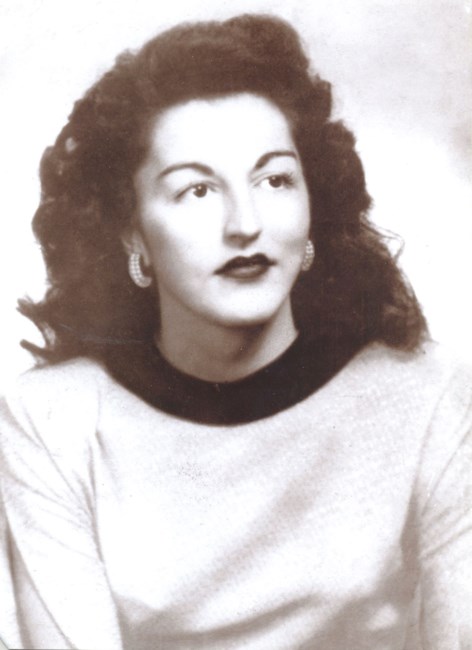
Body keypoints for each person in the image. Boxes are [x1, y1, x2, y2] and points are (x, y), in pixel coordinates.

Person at [0, 13, 470, 650]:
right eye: (196, 191)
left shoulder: (430, 395)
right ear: (132, 233)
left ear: (312, 206)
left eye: (275, 180)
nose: (244, 224)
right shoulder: (54, 420)